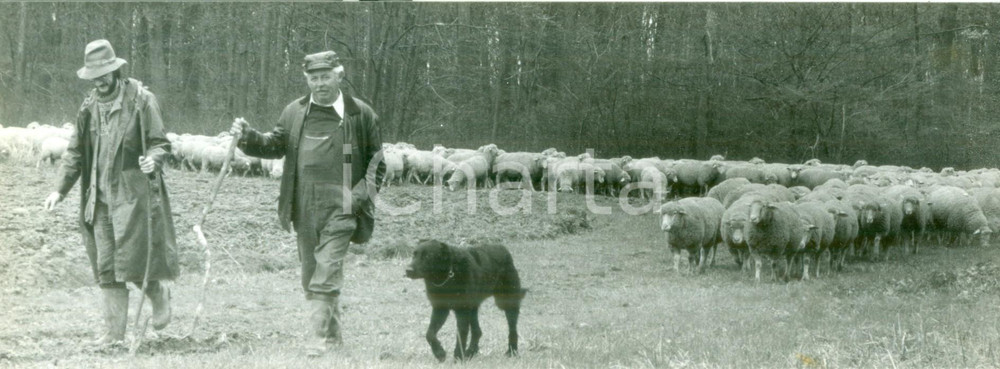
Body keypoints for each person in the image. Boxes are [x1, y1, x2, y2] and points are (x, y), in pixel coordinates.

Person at [230, 50, 384, 357]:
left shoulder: (361, 114)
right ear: (307, 80)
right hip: (304, 207)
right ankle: (333, 337)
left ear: (339, 75)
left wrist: (357, 198)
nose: (320, 84)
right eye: (314, 78)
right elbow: (275, 146)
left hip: (343, 209)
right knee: (311, 275)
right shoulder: (295, 111)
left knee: (326, 270)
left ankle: (316, 339)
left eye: (326, 77)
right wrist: (246, 137)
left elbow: (377, 163)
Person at [44, 39, 177, 346]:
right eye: (94, 76)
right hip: (98, 200)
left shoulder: (142, 100)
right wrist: (59, 190)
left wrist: (152, 160)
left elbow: (160, 142)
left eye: (104, 73)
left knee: (131, 261)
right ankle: (114, 336)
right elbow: (75, 152)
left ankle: (158, 293)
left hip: (131, 196)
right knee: (107, 267)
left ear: (116, 70)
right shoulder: (88, 106)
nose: (99, 80)